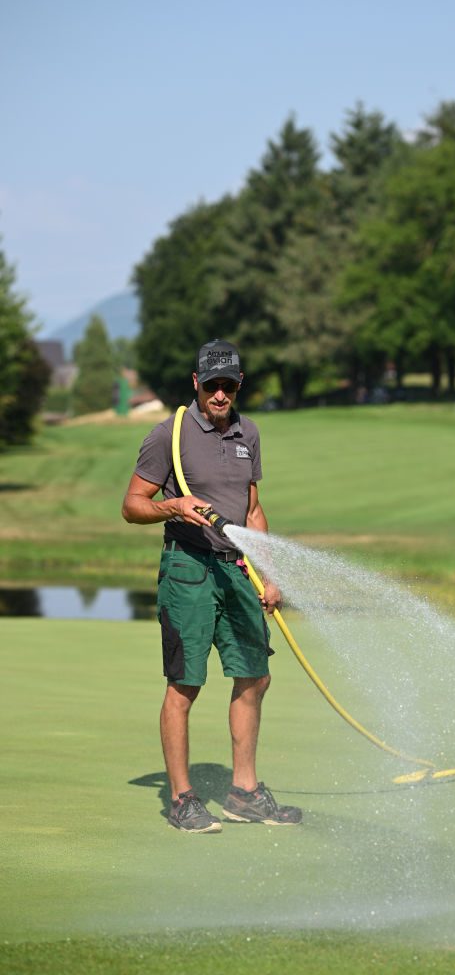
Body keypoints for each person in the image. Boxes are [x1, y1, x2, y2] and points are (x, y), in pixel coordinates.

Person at [122, 339, 302, 833]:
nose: (220, 395)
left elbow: (253, 510)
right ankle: (182, 799)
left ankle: (243, 793)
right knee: (186, 684)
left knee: (254, 675)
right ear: (196, 382)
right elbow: (133, 504)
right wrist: (173, 506)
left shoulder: (249, 432)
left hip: (237, 570)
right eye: (213, 385)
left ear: (238, 384)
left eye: (229, 385)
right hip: (188, 572)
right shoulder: (168, 435)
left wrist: (270, 572)